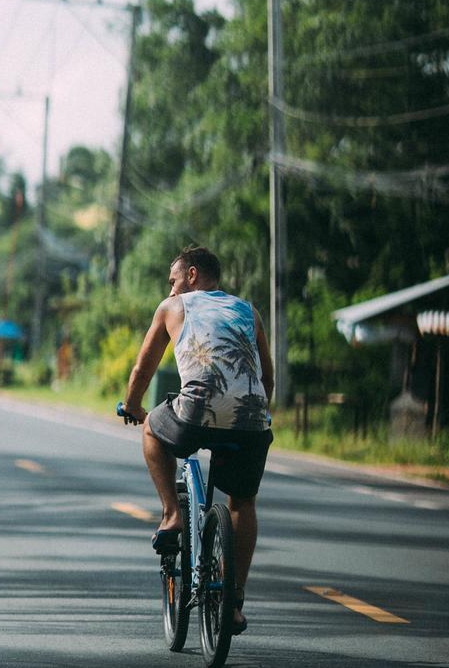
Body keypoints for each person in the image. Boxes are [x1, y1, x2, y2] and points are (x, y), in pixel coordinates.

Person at [120, 245, 273, 635]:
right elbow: (267, 376)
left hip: (197, 412)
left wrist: (134, 407)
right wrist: (250, 415)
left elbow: (143, 367)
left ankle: (171, 514)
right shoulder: (248, 310)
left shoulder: (173, 307)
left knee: (154, 426)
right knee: (242, 502)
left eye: (173, 281)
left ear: (191, 275)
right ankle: (234, 603)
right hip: (252, 417)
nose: (170, 290)